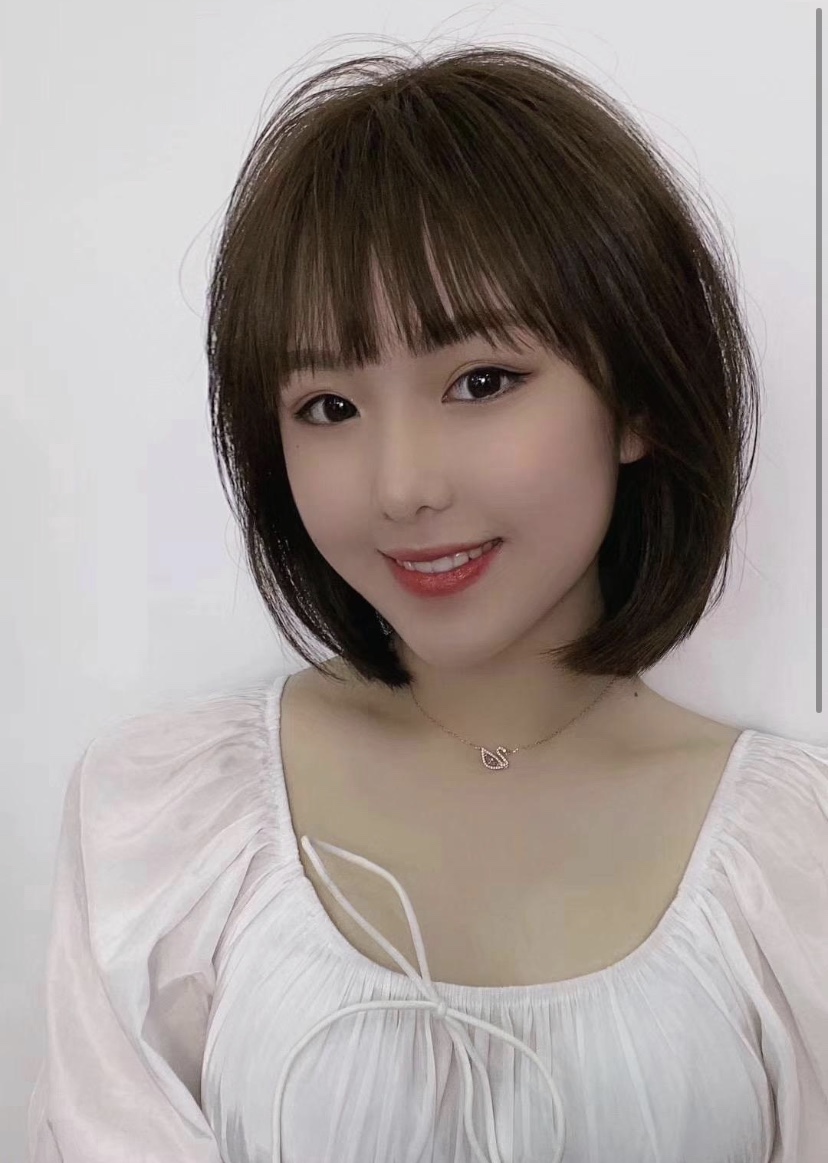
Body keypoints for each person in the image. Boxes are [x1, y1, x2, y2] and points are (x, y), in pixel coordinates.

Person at [28, 40, 828, 1163]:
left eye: (481, 382)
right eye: (328, 406)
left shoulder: (796, 865)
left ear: (638, 398)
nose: (402, 486)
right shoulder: (162, 827)